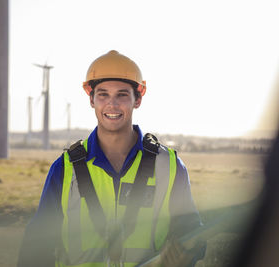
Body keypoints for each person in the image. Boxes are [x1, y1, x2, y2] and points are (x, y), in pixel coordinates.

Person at [18, 50, 205, 267]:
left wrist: (184, 253)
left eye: (122, 95)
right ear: (92, 100)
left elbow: (194, 239)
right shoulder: (64, 168)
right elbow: (36, 249)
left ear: (138, 100)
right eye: (103, 94)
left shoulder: (170, 166)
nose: (112, 104)